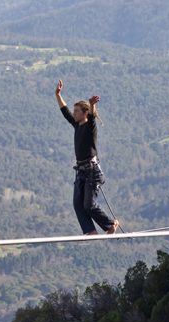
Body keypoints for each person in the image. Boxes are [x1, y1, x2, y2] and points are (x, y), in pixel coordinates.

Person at [55, 79, 119, 235]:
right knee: (78, 204)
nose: (74, 113)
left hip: (92, 171)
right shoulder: (77, 125)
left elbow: (92, 117)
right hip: (82, 171)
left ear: (85, 113)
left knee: (88, 205)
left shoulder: (90, 127)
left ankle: (111, 224)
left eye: (77, 111)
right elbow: (65, 112)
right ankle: (90, 230)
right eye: (74, 110)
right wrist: (57, 94)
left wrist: (92, 105)